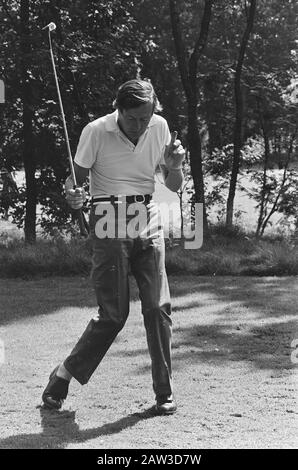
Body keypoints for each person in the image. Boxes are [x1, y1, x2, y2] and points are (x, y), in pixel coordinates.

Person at [42, 79, 185, 415]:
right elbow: (74, 181)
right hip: (107, 216)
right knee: (114, 315)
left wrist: (176, 166)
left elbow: (173, 185)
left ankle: (164, 393)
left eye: (145, 119)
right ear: (118, 110)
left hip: (147, 215)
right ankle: (63, 375)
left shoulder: (159, 126)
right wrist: (74, 196)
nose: (139, 126)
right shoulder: (96, 131)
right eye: (133, 118)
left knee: (157, 306)